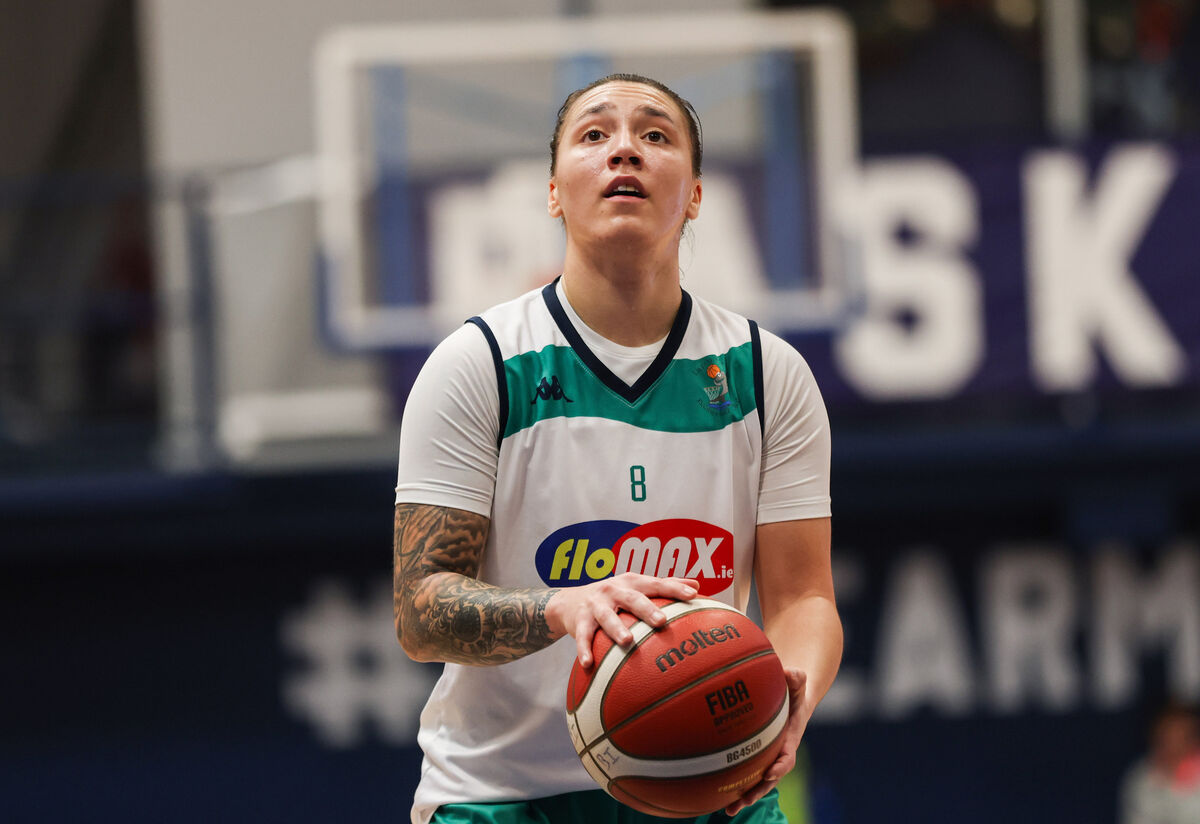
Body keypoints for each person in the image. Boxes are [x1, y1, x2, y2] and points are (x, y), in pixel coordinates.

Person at [393, 73, 842, 824]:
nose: (625, 149)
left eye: (655, 135)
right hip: (505, 796)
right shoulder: (479, 364)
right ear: (553, 192)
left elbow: (804, 597)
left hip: (713, 781)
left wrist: (791, 691)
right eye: (595, 134)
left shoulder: (767, 373)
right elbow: (419, 611)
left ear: (694, 195)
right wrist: (563, 607)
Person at [1120, 701, 1200, 824]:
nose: (1173, 750)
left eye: (1181, 740)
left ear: (1195, 741)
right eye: (1167, 740)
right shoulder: (1140, 779)